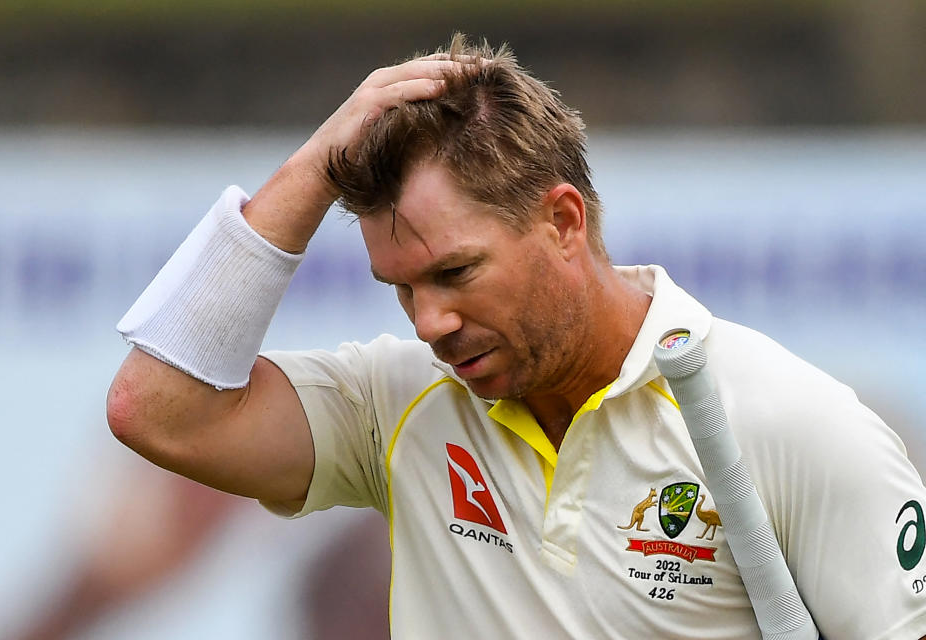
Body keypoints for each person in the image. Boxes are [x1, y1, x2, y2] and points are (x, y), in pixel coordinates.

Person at [106, 34, 926, 638]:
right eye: (401, 289)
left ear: (563, 221)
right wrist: (315, 169)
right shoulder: (396, 407)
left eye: (455, 274)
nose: (429, 324)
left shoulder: (797, 425)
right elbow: (158, 410)